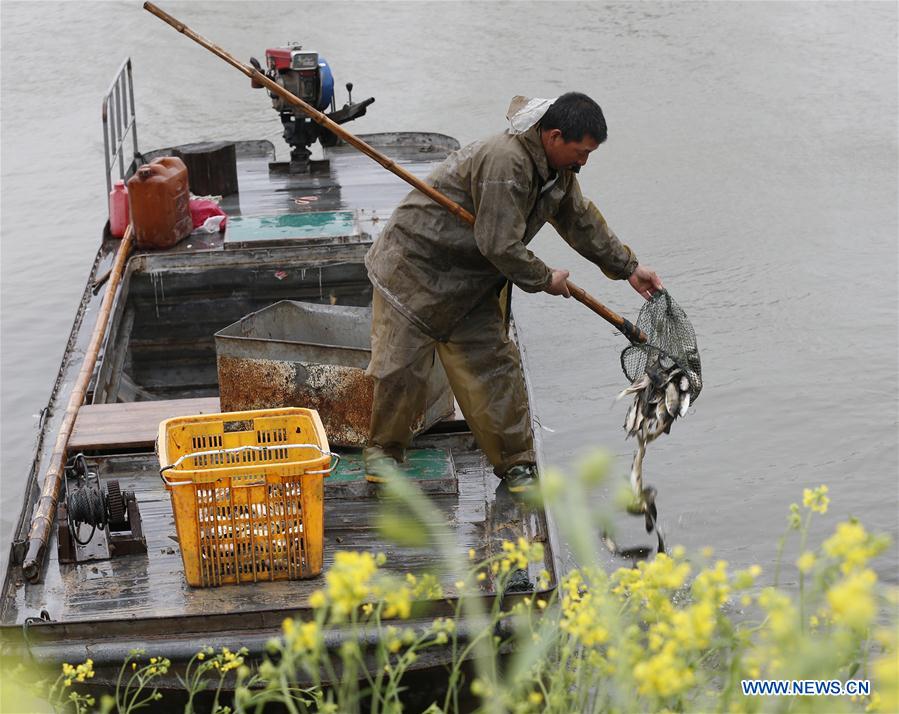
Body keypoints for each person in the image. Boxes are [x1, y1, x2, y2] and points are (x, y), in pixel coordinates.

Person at [363, 92, 663, 492]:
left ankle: (516, 465)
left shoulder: (558, 173)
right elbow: (499, 244)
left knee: (495, 371)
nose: (583, 162)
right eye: (581, 151)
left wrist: (628, 267)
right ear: (553, 136)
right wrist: (544, 279)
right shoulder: (506, 163)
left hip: (471, 281)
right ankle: (382, 454)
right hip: (414, 270)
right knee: (400, 371)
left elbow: (580, 220)